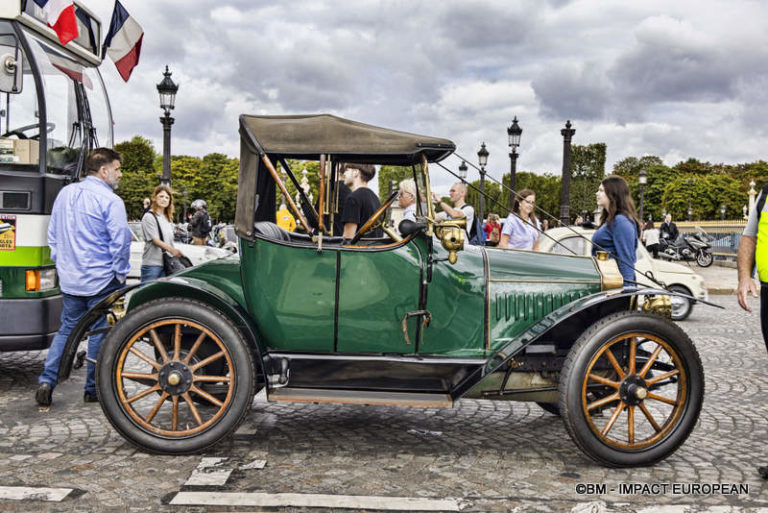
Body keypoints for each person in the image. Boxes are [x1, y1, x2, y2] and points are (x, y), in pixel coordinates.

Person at [36, 148, 131, 406]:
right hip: (101, 279)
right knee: (100, 332)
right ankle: (93, 388)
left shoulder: (65, 194)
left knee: (67, 330)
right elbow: (120, 241)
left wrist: (63, 263)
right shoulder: (111, 201)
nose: (119, 174)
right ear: (104, 170)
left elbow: (53, 234)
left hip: (70, 280)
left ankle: (47, 380)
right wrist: (120, 273)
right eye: (117, 169)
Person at [592, 175, 641, 284]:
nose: (597, 193)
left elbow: (626, 261)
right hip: (609, 285)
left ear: (612, 194)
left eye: (601, 190)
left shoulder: (620, 221)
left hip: (615, 288)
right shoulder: (613, 219)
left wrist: (627, 293)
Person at [140, 185, 185, 282]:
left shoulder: (167, 218)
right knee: (148, 294)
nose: (164, 199)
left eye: (167, 197)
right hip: (152, 264)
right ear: (154, 198)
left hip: (167, 263)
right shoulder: (149, 217)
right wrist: (172, 250)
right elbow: (155, 240)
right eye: (161, 196)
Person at [341, 163, 383, 239]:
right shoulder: (375, 198)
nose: (344, 174)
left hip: (359, 249)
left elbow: (348, 238)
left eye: (347, 170)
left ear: (356, 172)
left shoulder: (353, 198)